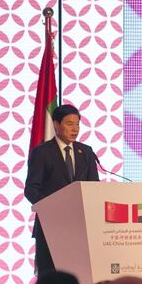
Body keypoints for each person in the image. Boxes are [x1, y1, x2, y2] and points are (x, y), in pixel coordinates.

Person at [24, 104, 99, 273]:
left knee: (79, 275)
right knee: (49, 275)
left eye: (78, 124)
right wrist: (53, 206)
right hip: (51, 226)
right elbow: (31, 189)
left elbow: (94, 187)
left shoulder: (86, 152)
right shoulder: (42, 152)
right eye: (69, 124)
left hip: (80, 227)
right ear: (56, 125)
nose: (75, 129)